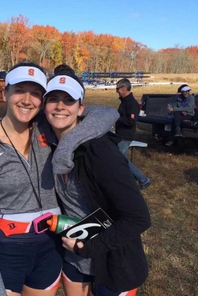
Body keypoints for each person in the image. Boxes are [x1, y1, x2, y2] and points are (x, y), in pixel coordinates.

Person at [0, 62, 118, 296]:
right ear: (5, 92)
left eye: (36, 93)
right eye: (19, 90)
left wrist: (66, 146)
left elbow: (107, 113)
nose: (27, 99)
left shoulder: (49, 127)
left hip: (52, 245)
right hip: (9, 247)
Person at [43, 65, 151, 296]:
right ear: (44, 105)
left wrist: (86, 246)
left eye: (68, 100)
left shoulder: (100, 153)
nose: (60, 106)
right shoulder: (49, 143)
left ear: (81, 107)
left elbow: (138, 218)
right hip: (74, 260)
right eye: (53, 99)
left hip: (111, 263)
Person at [115, 78, 151, 190]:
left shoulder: (131, 103)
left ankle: (143, 179)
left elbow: (131, 122)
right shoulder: (124, 102)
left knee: (121, 160)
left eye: (118, 89)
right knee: (121, 159)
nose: (116, 91)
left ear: (124, 88)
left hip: (125, 136)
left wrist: (116, 118)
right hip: (120, 135)